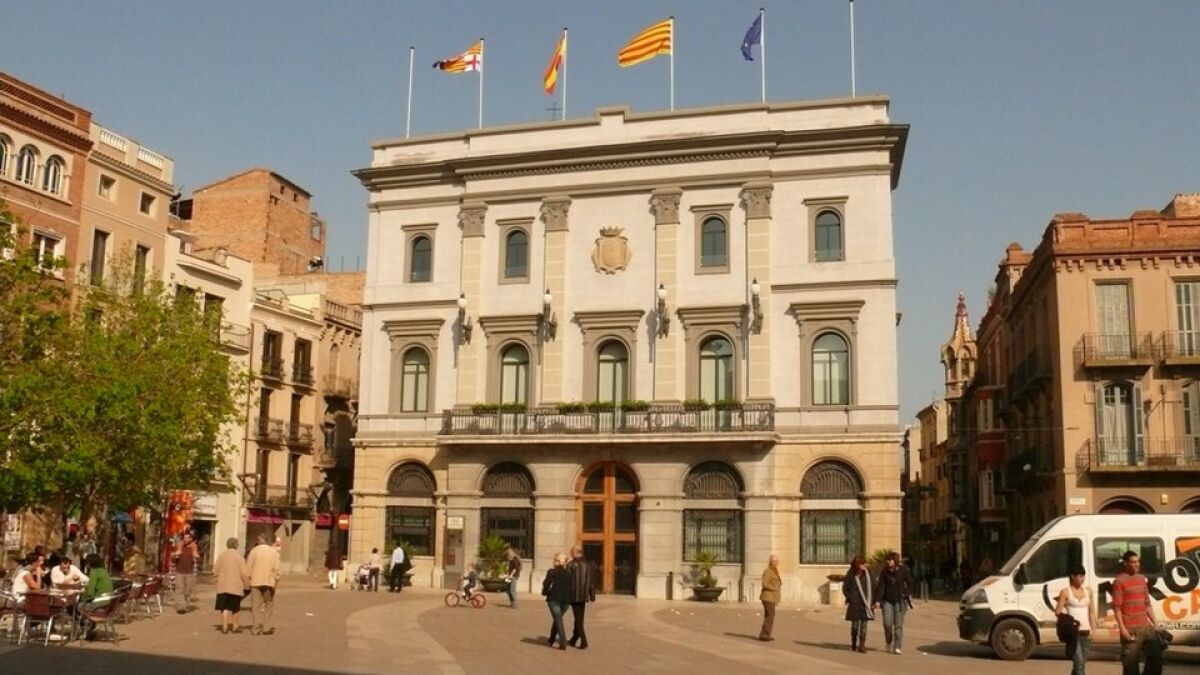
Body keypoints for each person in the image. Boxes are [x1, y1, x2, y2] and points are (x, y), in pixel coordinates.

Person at [1112, 551, 1163, 675]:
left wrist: (1155, 624)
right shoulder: (1119, 581)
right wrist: (1122, 629)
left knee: (1156, 659)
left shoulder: (1141, 579)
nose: (1136, 564)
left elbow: (1147, 604)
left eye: (1138, 561)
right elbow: (1117, 607)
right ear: (1126, 563)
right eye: (1133, 562)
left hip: (1145, 626)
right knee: (1130, 666)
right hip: (1131, 628)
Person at [1055, 564, 1096, 675]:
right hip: (1073, 632)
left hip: (1086, 630)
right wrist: (1068, 619)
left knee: (1082, 662)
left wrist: (1093, 629)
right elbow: (1058, 612)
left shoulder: (1088, 591)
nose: (1082, 579)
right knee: (1079, 662)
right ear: (1073, 576)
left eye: (1083, 576)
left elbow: (1091, 612)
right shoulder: (1065, 592)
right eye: (1080, 576)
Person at [873, 551, 913, 655]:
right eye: (887, 560)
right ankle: (888, 641)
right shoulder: (884, 571)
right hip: (887, 600)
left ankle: (897, 646)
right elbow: (881, 586)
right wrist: (877, 600)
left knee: (898, 625)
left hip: (900, 601)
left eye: (890, 560)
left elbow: (909, 583)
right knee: (887, 623)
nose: (888, 562)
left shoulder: (903, 569)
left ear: (895, 561)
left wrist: (906, 593)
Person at [246, 533, 281, 635]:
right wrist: (276, 580)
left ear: (259, 540)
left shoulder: (254, 551)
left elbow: (248, 567)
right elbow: (277, 569)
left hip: (255, 582)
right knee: (268, 604)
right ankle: (266, 627)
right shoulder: (273, 552)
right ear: (267, 540)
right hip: (269, 582)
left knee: (256, 606)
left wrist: (248, 579)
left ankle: (256, 628)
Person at [214, 537, 249, 634]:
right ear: (236, 545)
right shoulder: (239, 557)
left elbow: (215, 570)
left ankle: (224, 626)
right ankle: (235, 626)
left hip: (222, 586)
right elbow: (244, 573)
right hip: (235, 586)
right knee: (235, 607)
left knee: (224, 607)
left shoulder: (221, 556)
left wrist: (216, 580)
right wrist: (247, 585)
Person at [78, 554, 115, 641]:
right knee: (84, 605)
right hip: (108, 602)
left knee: (79, 606)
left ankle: (86, 630)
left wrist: (81, 594)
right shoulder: (103, 571)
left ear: (89, 563)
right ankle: (90, 628)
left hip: (100, 602)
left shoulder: (93, 572)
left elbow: (90, 593)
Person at [542, 553, 574, 650]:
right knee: (557, 619)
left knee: (558, 620)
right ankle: (551, 640)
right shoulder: (570, 573)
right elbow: (572, 587)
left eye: (555, 560)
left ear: (558, 562)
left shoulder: (552, 572)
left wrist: (545, 593)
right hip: (566, 601)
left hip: (554, 599)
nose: (553, 562)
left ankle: (563, 642)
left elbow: (546, 584)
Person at [566, 545, 596, 649]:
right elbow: (591, 582)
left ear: (575, 552)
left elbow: (567, 581)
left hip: (574, 595)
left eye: (572, 552)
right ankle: (574, 638)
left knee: (578, 619)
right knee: (579, 618)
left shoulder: (571, 565)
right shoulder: (587, 565)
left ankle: (584, 641)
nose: (570, 553)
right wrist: (592, 596)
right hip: (583, 595)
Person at [844, 555, 873, 652]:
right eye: (861, 564)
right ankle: (853, 642)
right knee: (855, 626)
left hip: (866, 603)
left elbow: (873, 586)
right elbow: (845, 588)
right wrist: (850, 597)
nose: (863, 566)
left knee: (864, 625)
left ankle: (862, 645)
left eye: (863, 564)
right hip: (855, 604)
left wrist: (873, 601)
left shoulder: (868, 574)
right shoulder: (851, 574)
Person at [173, 531, 200, 613]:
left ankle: (186, 604)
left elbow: (197, 558)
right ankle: (181, 607)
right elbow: (173, 558)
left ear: (190, 539)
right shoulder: (179, 546)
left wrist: (196, 557)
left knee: (188, 590)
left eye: (188, 538)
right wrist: (175, 556)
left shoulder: (193, 547)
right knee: (179, 589)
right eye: (185, 538)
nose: (186, 539)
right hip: (180, 571)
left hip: (189, 572)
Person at [759, 554, 782, 642]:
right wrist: (774, 588)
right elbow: (765, 584)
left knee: (769, 616)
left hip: (772, 597)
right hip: (768, 597)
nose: (776, 563)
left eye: (777, 561)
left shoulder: (774, 571)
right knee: (770, 616)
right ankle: (765, 635)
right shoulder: (768, 571)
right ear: (771, 562)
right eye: (774, 561)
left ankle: (765, 634)